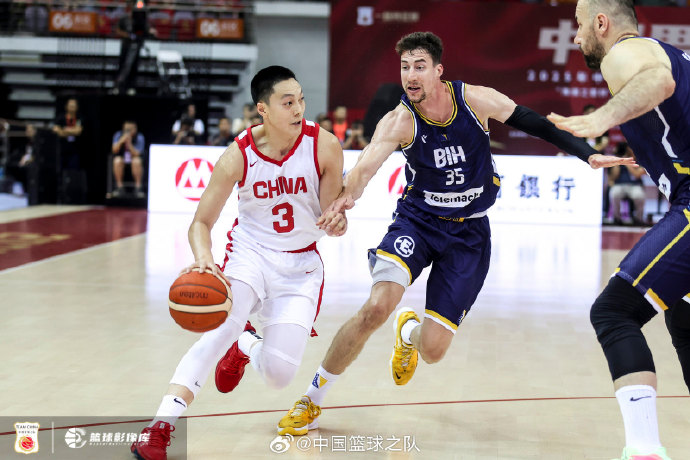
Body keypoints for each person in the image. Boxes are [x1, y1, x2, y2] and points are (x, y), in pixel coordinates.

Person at [277, 31, 631, 437]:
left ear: (438, 71)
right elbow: (363, 171)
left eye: (419, 67)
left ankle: (407, 333)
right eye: (405, 67)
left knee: (432, 350)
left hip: (469, 235)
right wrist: (342, 202)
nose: (411, 75)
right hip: (418, 222)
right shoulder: (399, 120)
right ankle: (311, 399)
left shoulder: (475, 100)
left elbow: (534, 123)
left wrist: (587, 154)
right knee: (376, 306)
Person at [130, 65, 345, 460]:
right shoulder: (238, 155)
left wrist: (338, 221)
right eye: (287, 102)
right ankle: (159, 426)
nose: (299, 109)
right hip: (250, 255)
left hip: (300, 266)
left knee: (279, 376)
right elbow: (201, 222)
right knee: (217, 331)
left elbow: (332, 218)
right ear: (263, 109)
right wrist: (204, 259)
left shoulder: (324, 145)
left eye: (300, 100)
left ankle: (246, 343)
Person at [547, 1, 690, 459]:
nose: (576, 37)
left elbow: (658, 82)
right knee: (683, 317)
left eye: (579, 25)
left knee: (614, 312)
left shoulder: (624, 52)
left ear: (601, 23)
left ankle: (644, 451)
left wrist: (599, 119)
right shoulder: (673, 52)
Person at [607, 142, 646, 226]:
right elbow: (613, 177)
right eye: (628, 148)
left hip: (635, 186)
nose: (630, 150)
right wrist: (618, 162)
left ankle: (639, 219)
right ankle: (617, 218)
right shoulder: (619, 160)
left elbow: (637, 175)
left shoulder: (639, 160)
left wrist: (627, 163)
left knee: (639, 195)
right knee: (614, 193)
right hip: (619, 185)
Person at [111, 120, 146, 198]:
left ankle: (138, 188)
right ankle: (119, 188)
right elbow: (114, 150)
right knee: (117, 161)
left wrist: (129, 144)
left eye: (130, 129)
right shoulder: (118, 135)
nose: (128, 131)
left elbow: (137, 153)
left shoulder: (139, 137)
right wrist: (121, 141)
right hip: (122, 159)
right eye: (126, 129)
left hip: (133, 159)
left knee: (136, 161)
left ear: (135, 129)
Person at [52, 98, 83, 171]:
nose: (72, 108)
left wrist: (64, 130)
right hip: (62, 150)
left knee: (73, 170)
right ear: (66, 107)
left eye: (74, 106)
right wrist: (72, 131)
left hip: (74, 150)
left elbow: (78, 131)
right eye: (70, 106)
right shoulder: (60, 118)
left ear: (77, 107)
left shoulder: (79, 118)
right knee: (60, 170)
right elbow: (56, 130)